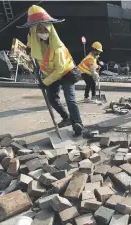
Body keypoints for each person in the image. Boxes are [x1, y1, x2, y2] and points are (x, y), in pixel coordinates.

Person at [18, 5, 84, 135]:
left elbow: (59, 70)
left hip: (65, 73)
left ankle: (77, 122)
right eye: (39, 29)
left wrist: (45, 82)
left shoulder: (57, 48)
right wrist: (27, 49)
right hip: (50, 74)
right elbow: (31, 40)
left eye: (44, 29)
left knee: (70, 99)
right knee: (52, 99)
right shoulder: (35, 39)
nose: (42, 32)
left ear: (49, 29)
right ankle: (66, 118)